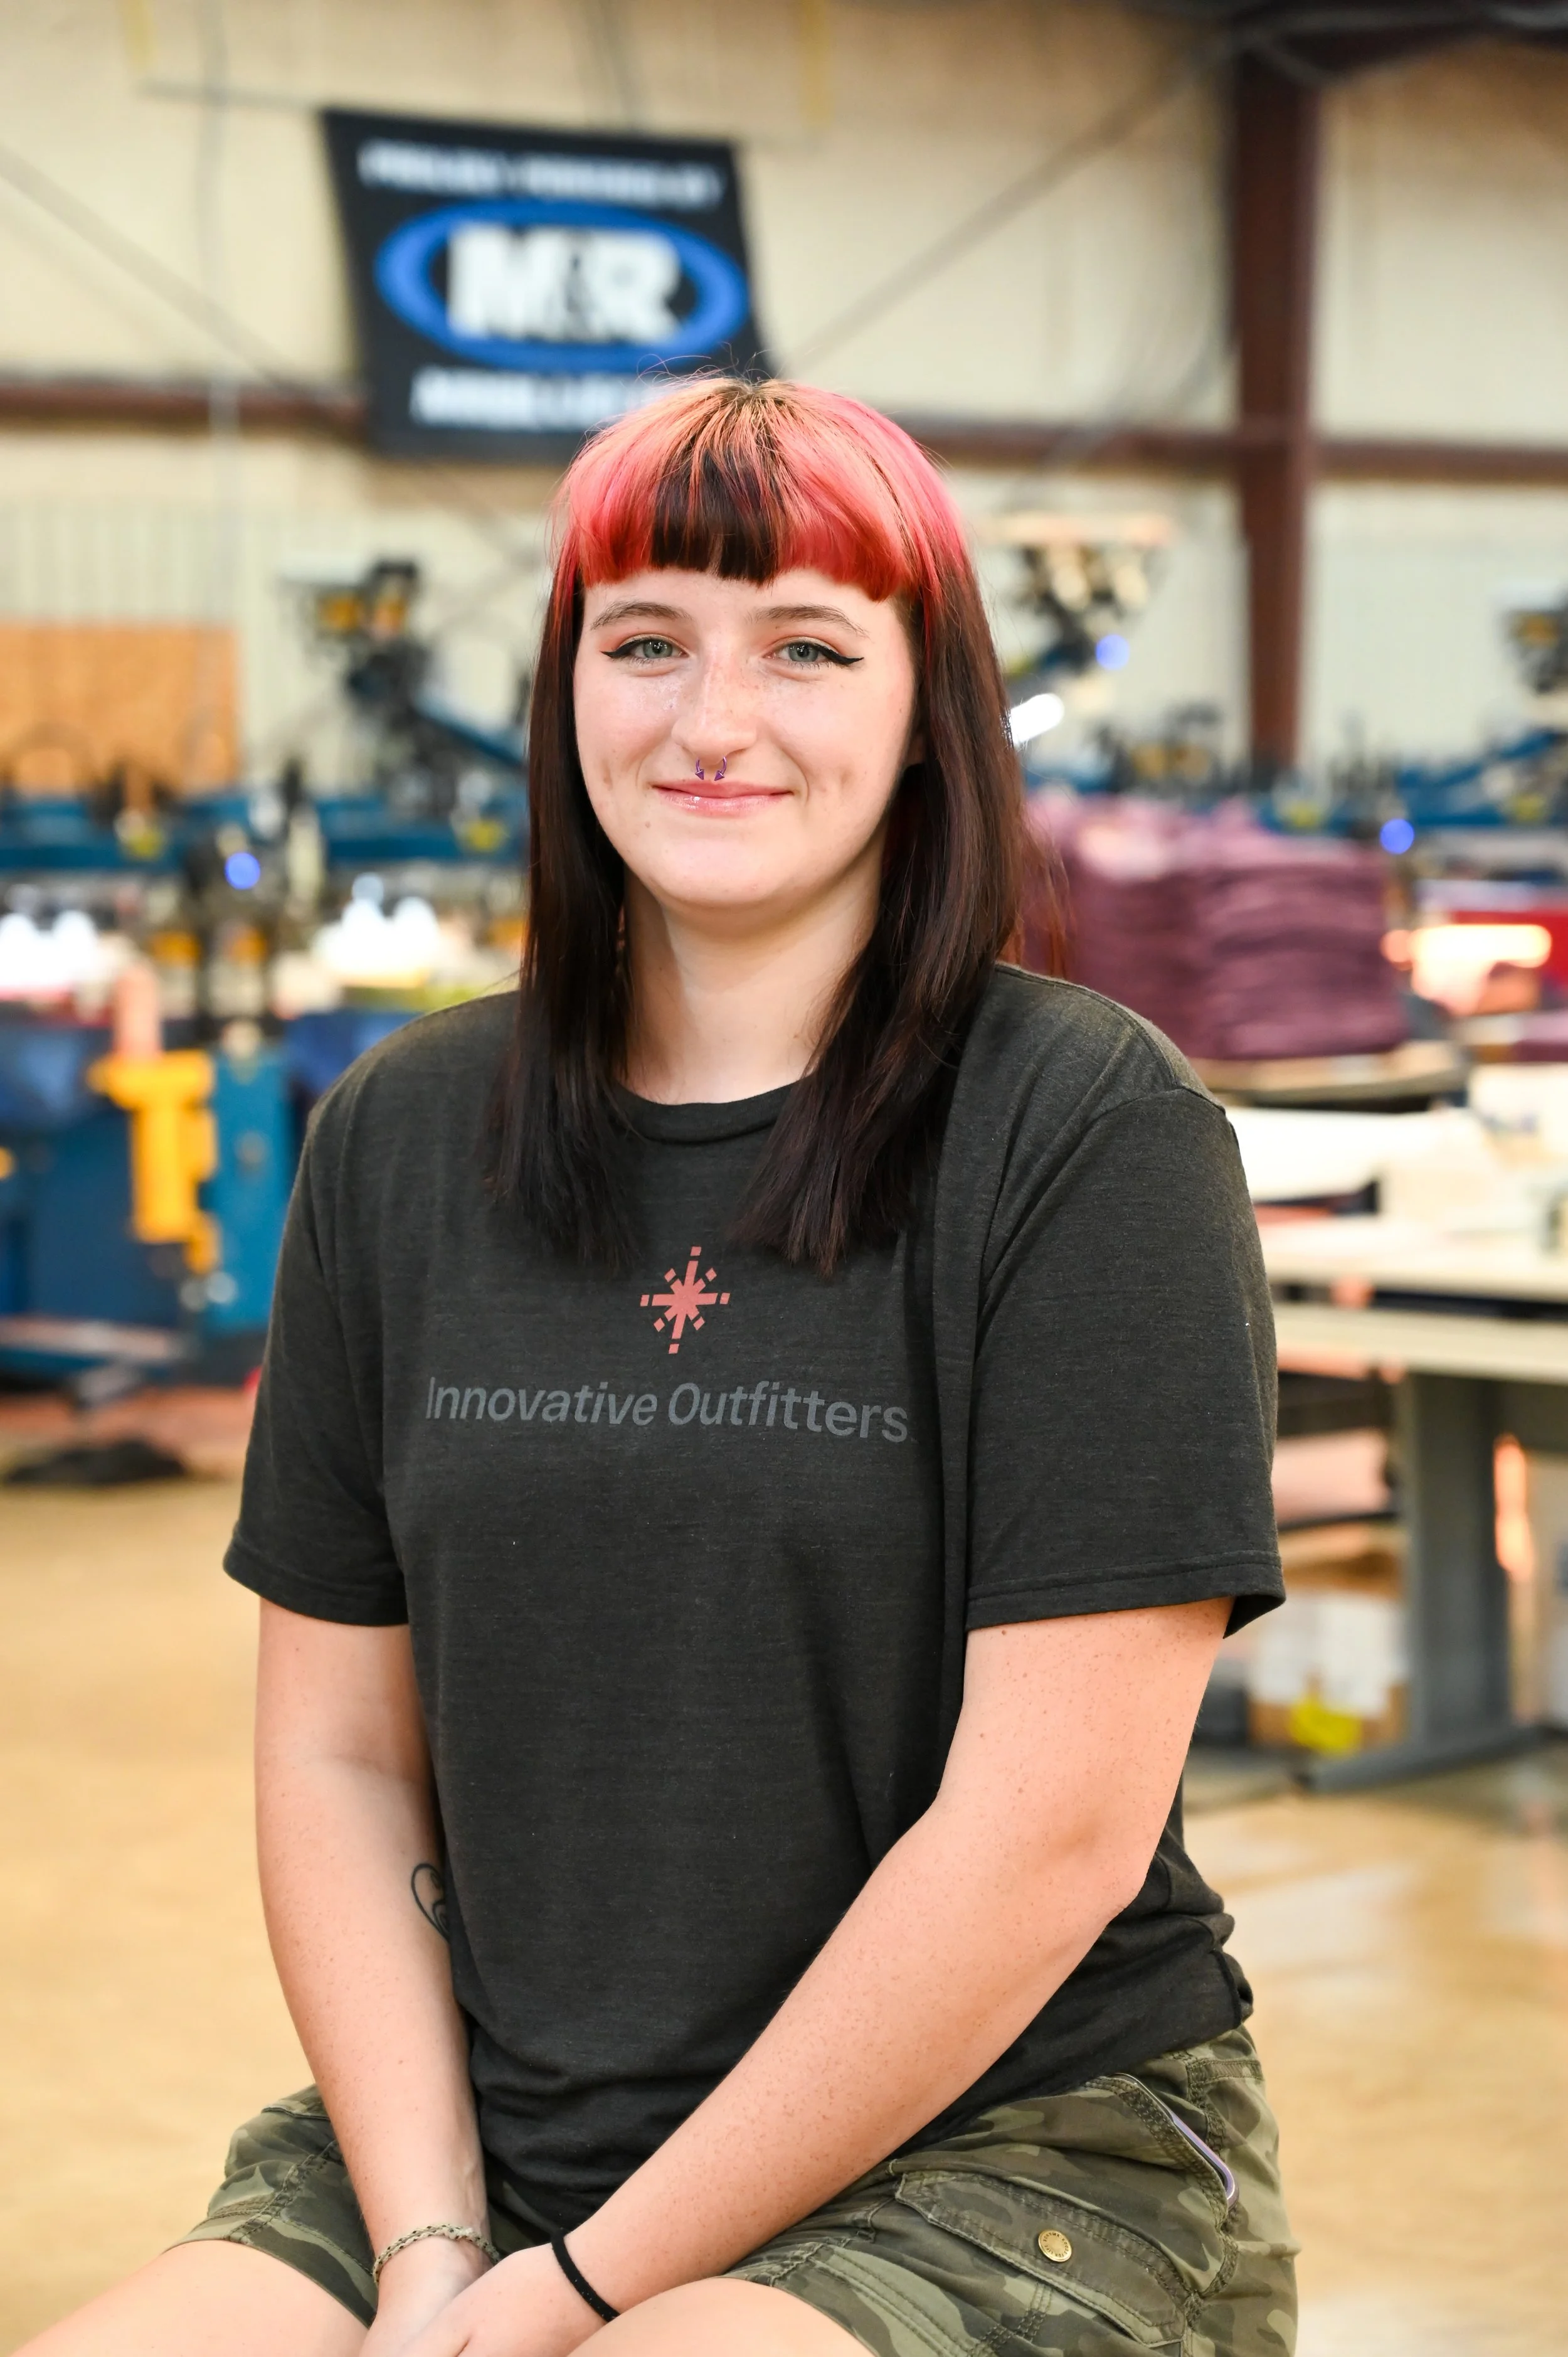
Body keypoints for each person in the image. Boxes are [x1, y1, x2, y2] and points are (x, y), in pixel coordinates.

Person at [25, 378, 1294, 2357]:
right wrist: (443, 2241)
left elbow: (1041, 1834)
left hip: (1008, 2150)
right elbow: (344, 1758)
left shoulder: (1083, 1133)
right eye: (646, 642)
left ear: (921, 702)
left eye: (804, 644)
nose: (713, 721)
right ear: (568, 691)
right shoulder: (399, 1135)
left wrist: (599, 2288)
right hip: (503, 2135)